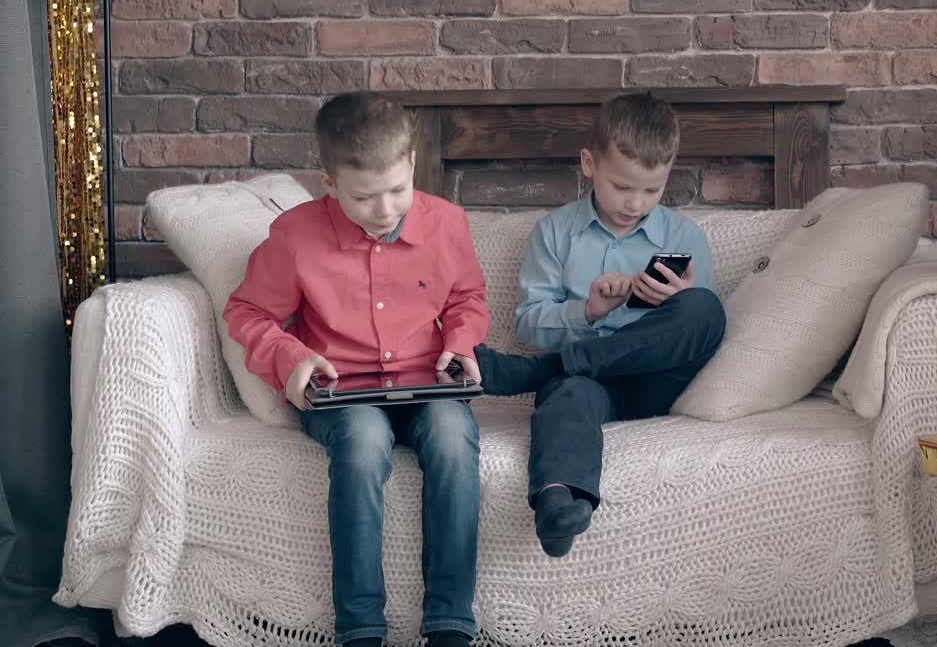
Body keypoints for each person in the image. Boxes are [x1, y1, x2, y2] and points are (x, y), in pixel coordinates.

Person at [223, 92, 488, 647]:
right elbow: (247, 312)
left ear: (412, 165)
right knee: (364, 443)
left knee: (453, 435)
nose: (386, 210)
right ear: (329, 184)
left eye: (397, 190)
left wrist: (462, 343)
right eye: (364, 198)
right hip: (344, 396)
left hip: (426, 385)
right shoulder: (295, 237)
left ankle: (449, 623)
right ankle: (361, 627)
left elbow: (467, 298)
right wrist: (291, 357)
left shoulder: (448, 224)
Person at [476, 93, 726, 558]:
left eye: (652, 191)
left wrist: (678, 302)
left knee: (705, 308)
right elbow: (528, 326)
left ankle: (537, 372)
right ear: (589, 164)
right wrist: (588, 312)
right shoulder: (554, 232)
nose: (635, 203)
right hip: (590, 384)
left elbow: (701, 335)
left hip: (656, 381)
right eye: (622, 186)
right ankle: (557, 507)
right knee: (569, 392)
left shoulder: (683, 236)